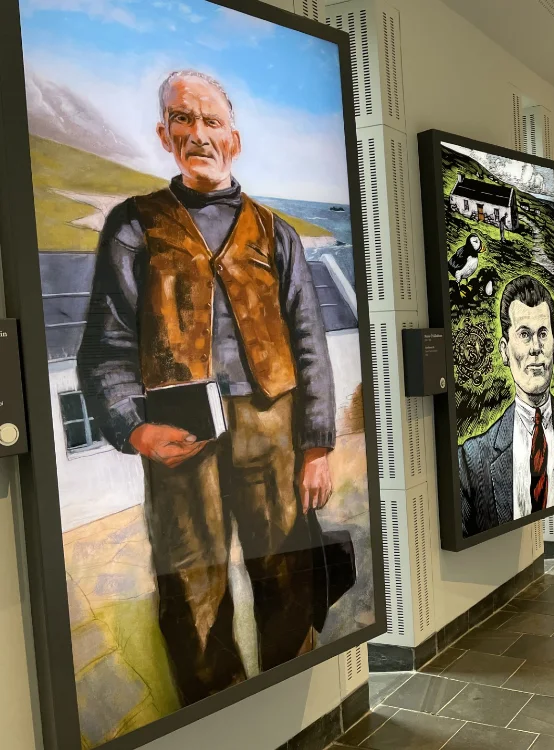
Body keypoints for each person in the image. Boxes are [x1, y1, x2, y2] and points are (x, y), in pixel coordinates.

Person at [78, 70, 338, 703]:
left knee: (288, 577)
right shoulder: (133, 227)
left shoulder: (277, 233)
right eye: (183, 121)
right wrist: (134, 428)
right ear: (164, 135)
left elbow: (310, 345)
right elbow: (105, 350)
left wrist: (317, 444)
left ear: (235, 138)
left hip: (272, 433)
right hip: (180, 438)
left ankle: (291, 708)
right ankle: (218, 721)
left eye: (211, 122)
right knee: (191, 595)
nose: (198, 135)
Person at [458, 276, 554, 536]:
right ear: (505, 351)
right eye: (524, 335)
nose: (535, 349)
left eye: (543, 333)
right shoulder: (474, 459)